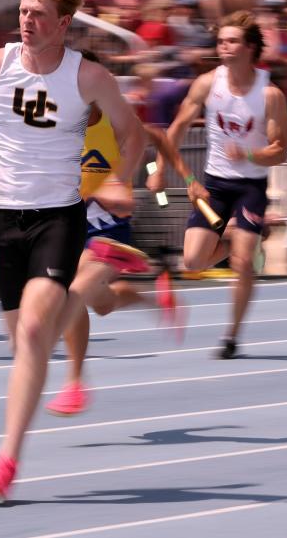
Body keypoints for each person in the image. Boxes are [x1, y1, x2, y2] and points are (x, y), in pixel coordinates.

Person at [0, 0, 147, 501]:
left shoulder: (87, 76)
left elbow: (132, 133)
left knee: (33, 332)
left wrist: (119, 181)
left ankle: (8, 457)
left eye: (38, 15)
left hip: (56, 217)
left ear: (64, 22)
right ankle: (87, 293)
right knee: (27, 345)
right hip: (4, 218)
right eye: (22, 10)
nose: (26, 21)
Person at [45, 49, 196, 417]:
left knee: (73, 290)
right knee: (104, 303)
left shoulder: (115, 121)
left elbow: (156, 138)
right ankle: (154, 301)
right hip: (70, 225)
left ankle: (74, 382)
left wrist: (167, 174)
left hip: (109, 230)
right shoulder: (54, 121)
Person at [149, 10, 287, 360]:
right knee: (194, 262)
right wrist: (160, 168)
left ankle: (231, 336)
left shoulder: (270, 94)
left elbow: (280, 151)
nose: (223, 47)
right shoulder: (207, 83)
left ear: (250, 47)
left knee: (243, 263)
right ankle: (235, 234)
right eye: (220, 41)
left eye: (231, 41)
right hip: (214, 184)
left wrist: (250, 154)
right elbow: (177, 128)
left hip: (250, 187)